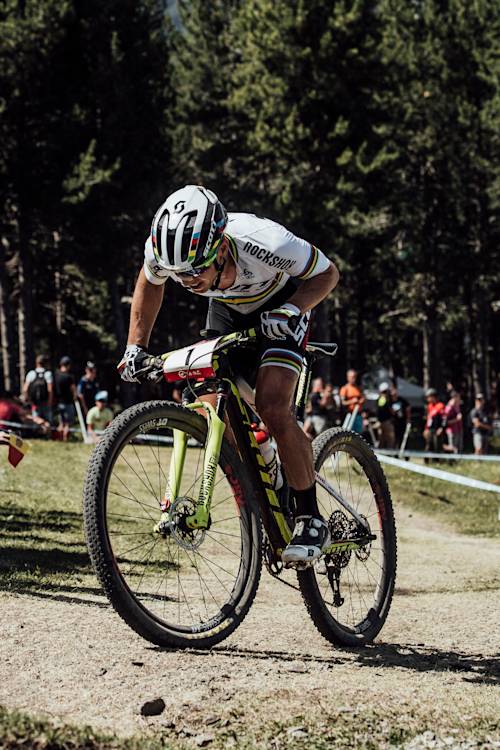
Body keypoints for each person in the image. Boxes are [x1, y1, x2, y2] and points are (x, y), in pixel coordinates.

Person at [118, 184, 340, 565]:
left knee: (272, 405)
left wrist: (292, 310)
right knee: (213, 411)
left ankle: (311, 518)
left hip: (283, 306)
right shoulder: (164, 250)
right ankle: (267, 458)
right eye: (178, 273)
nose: (186, 280)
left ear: (221, 246)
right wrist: (135, 347)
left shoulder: (264, 240)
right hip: (227, 312)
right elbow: (148, 283)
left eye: (195, 269)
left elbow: (327, 274)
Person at [22, 354, 54, 424]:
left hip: (35, 404)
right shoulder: (48, 374)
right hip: (45, 403)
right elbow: (50, 390)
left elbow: (25, 389)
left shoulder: (31, 373)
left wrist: (29, 401)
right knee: (48, 423)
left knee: (36, 422)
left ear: (36, 363)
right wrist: (50, 402)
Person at [54, 356, 77, 441]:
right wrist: (75, 397)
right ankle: (65, 439)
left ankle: (59, 438)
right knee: (67, 424)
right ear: (68, 365)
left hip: (59, 403)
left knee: (61, 423)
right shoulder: (69, 377)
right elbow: (73, 389)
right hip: (68, 402)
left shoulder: (56, 375)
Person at [339, 369, 365, 433]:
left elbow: (362, 397)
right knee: (348, 432)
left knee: (358, 433)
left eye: (355, 377)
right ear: (348, 378)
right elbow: (342, 403)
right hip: (349, 415)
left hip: (358, 414)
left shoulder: (358, 388)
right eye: (352, 377)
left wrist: (362, 400)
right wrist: (352, 401)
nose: (354, 379)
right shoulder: (345, 388)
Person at [423, 388, 445, 456]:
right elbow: (429, 419)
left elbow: (444, 418)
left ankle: (437, 461)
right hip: (430, 429)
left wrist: (441, 428)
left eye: (429, 397)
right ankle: (428, 460)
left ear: (433, 396)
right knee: (429, 445)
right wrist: (426, 429)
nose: (428, 399)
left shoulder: (440, 405)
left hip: (437, 429)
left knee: (437, 446)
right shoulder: (429, 406)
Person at [390, 383, 411, 449]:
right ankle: (395, 453)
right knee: (395, 438)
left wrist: (408, 418)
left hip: (402, 421)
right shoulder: (389, 401)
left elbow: (408, 408)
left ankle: (405, 453)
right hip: (394, 422)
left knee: (403, 437)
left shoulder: (401, 400)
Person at [377, 382, 396, 449]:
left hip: (380, 421)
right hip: (386, 422)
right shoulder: (386, 399)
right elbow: (391, 411)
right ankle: (389, 453)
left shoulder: (379, 399)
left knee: (381, 439)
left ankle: (379, 454)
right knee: (390, 439)